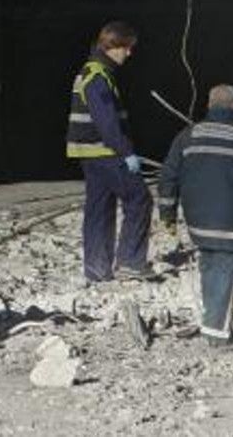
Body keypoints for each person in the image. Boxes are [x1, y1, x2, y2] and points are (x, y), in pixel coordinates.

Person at [157, 84, 233, 347]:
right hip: (231, 222)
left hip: (198, 222)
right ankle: (219, 335)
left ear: (209, 106)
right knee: (225, 273)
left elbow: (168, 176)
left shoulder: (187, 136)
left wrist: (167, 214)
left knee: (210, 269)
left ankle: (212, 324)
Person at [65, 20, 154, 282]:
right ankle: (130, 262)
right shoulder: (98, 76)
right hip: (105, 152)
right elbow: (106, 121)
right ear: (113, 46)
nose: (129, 53)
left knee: (99, 209)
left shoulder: (90, 71)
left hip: (90, 153)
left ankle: (96, 269)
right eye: (126, 47)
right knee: (139, 199)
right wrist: (126, 151)